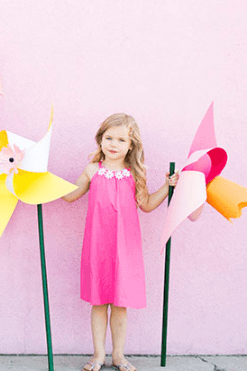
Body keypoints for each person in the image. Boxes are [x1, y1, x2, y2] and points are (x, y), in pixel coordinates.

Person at [62, 113, 178, 371]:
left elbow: (146, 205)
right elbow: (71, 196)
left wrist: (166, 186)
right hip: (98, 248)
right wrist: (40, 183)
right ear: (100, 140)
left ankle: (118, 355)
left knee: (121, 304)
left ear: (131, 145)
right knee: (99, 302)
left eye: (121, 139)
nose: (113, 144)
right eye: (109, 138)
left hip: (126, 249)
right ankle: (99, 354)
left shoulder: (134, 175)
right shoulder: (93, 171)